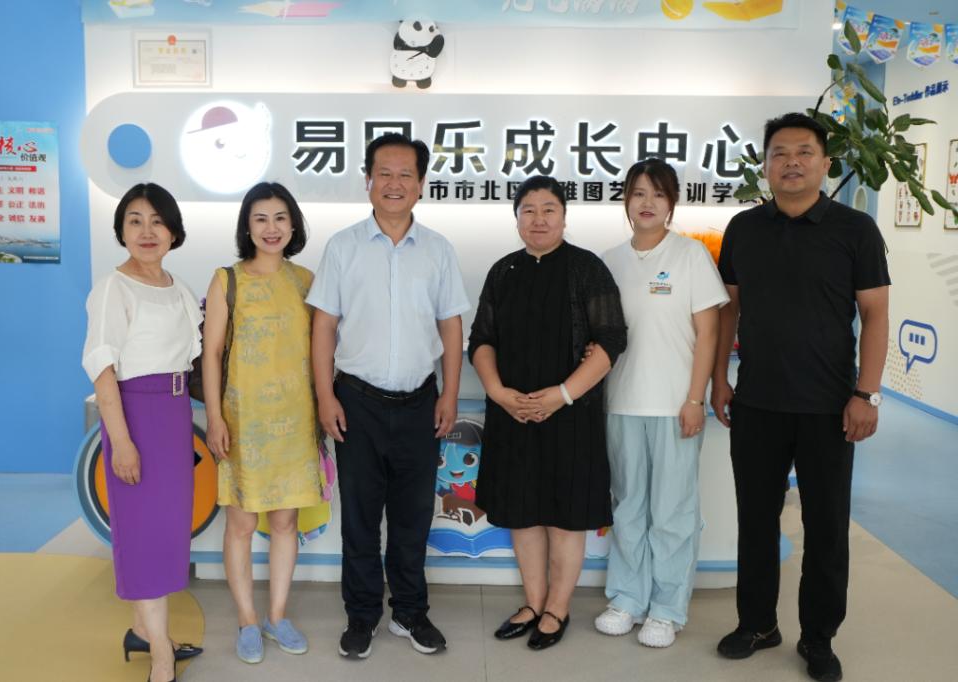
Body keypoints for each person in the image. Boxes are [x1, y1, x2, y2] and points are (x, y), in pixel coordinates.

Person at [711, 112, 890, 682]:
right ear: (765, 165)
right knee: (755, 521)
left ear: (825, 162)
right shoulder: (743, 228)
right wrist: (719, 379)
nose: (792, 162)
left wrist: (867, 394)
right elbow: (728, 309)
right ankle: (758, 624)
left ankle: (818, 638)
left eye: (804, 152)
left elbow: (876, 313)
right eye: (780, 153)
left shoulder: (855, 230)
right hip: (757, 402)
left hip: (829, 407)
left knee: (827, 528)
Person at [306, 133, 470, 659]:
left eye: (405, 174)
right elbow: (324, 326)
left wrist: (449, 394)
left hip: (421, 403)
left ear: (420, 184)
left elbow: (451, 327)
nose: (394, 183)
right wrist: (325, 396)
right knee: (359, 518)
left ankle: (409, 612)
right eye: (384, 173)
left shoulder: (439, 250)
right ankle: (361, 616)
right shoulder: (343, 247)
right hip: (356, 402)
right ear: (368, 181)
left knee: (412, 517)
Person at [468, 175, 627, 651]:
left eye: (548, 210)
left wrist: (561, 395)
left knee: (565, 516)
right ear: (517, 218)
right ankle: (533, 603)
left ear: (564, 216)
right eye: (528, 210)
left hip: (571, 415)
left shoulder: (587, 268)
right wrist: (498, 392)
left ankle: (558, 607)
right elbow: (481, 340)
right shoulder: (503, 271)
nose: (538, 219)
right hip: (512, 414)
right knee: (522, 512)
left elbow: (612, 340)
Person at [593, 159, 728, 648]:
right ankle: (627, 598)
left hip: (675, 405)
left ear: (672, 202)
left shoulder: (691, 255)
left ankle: (667, 609)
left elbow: (709, 332)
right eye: (638, 193)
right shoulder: (608, 261)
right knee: (628, 506)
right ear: (626, 201)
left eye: (658, 193)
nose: (647, 203)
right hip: (621, 402)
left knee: (672, 512)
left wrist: (695, 398)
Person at [82, 183, 204, 682]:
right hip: (135, 414)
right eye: (135, 220)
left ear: (173, 230)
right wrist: (122, 441)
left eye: (157, 220)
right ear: (121, 231)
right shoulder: (114, 288)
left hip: (174, 414)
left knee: (165, 531)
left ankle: (142, 630)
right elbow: (101, 367)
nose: (147, 231)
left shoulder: (178, 287)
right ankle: (161, 656)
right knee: (144, 534)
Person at [202, 182, 323, 664]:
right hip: (242, 422)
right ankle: (247, 621)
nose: (271, 228)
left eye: (280, 218)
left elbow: (324, 349)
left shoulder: (307, 281)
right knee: (241, 522)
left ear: (293, 225)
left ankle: (277, 616)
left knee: (285, 521)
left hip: (295, 421)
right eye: (260, 219)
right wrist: (215, 417)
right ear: (246, 227)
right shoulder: (226, 280)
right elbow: (211, 354)